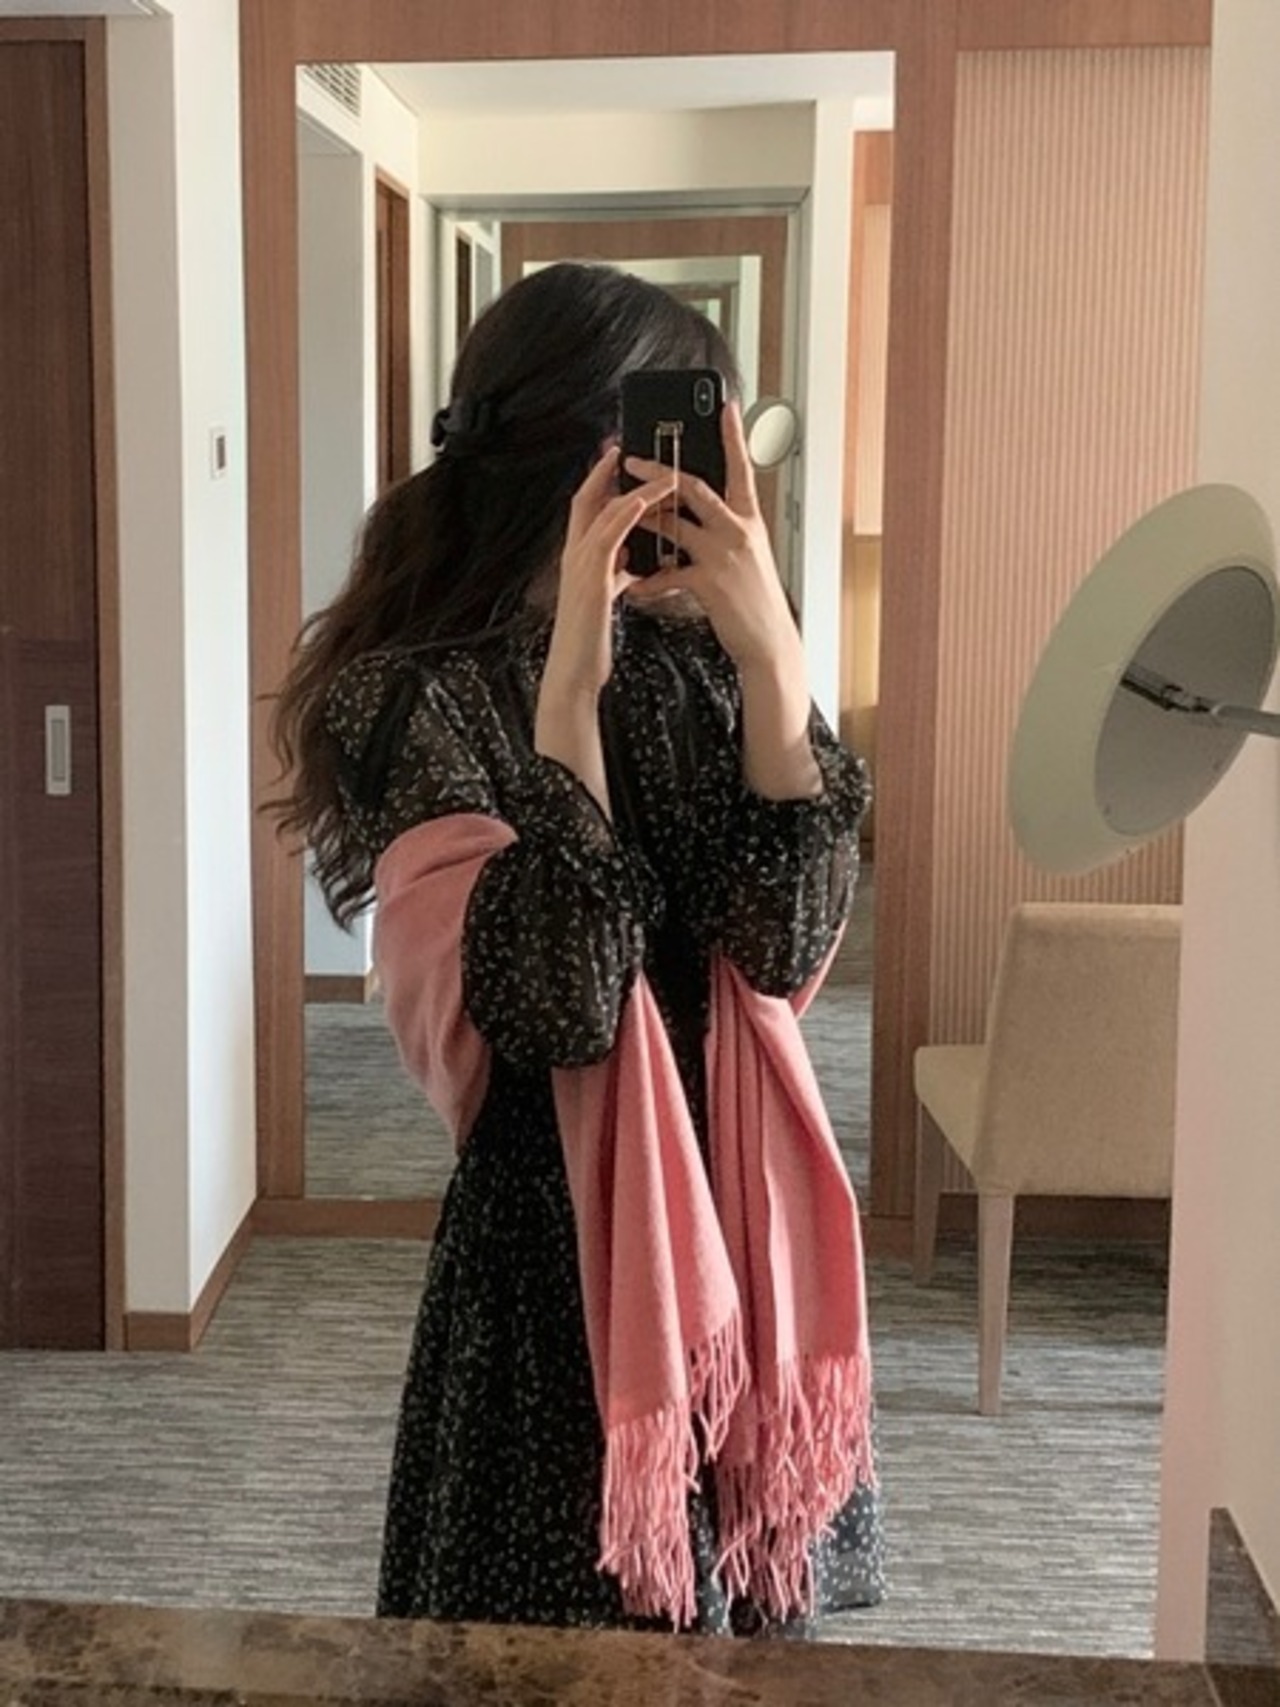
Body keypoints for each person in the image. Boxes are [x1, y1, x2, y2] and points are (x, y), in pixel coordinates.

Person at [272, 261, 884, 1636]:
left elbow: (782, 954)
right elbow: (564, 1005)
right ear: (578, 460)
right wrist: (568, 711)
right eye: (667, 438)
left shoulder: (718, 666)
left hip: (739, 1236)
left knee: (738, 1649)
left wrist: (776, 664)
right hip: (551, 1262)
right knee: (544, 1643)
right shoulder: (415, 698)